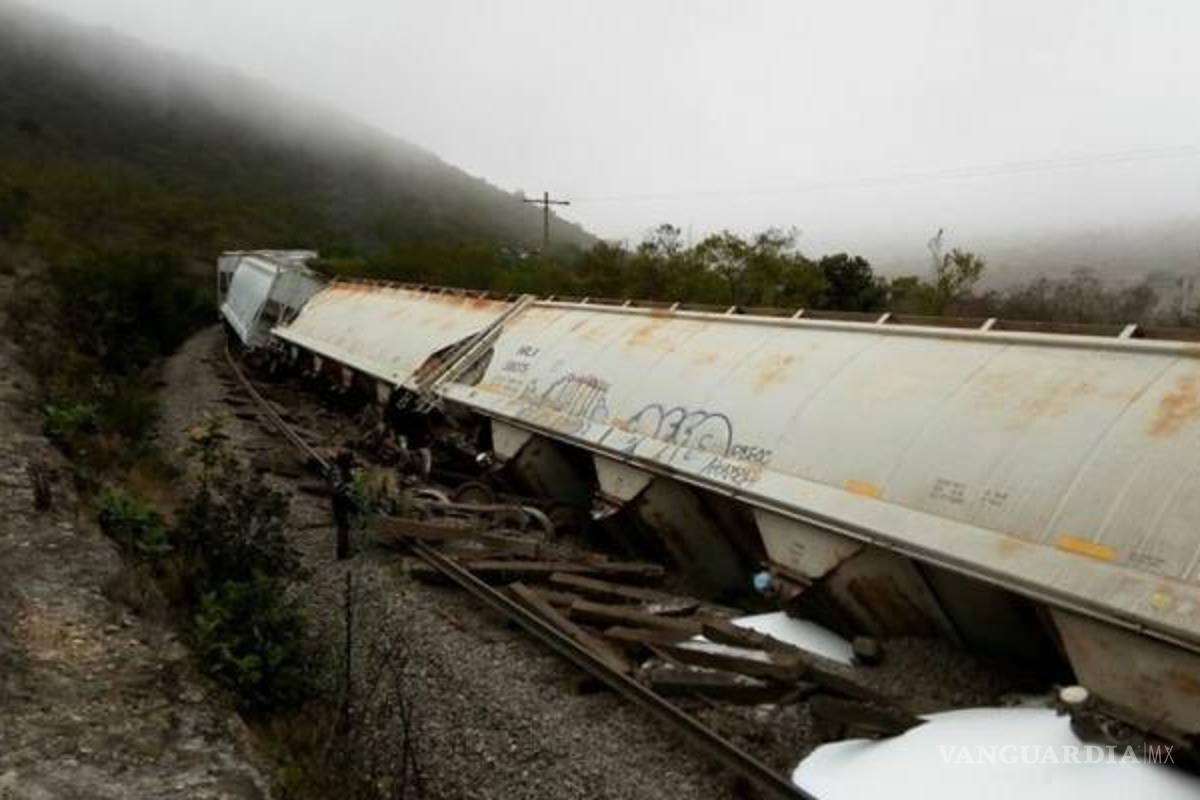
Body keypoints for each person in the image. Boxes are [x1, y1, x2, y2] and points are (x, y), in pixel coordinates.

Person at [329, 450, 358, 560]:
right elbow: (337, 488)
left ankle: (349, 547)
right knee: (343, 526)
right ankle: (342, 552)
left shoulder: (343, 468)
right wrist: (349, 487)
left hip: (346, 499)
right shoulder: (336, 471)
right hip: (340, 501)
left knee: (350, 522)